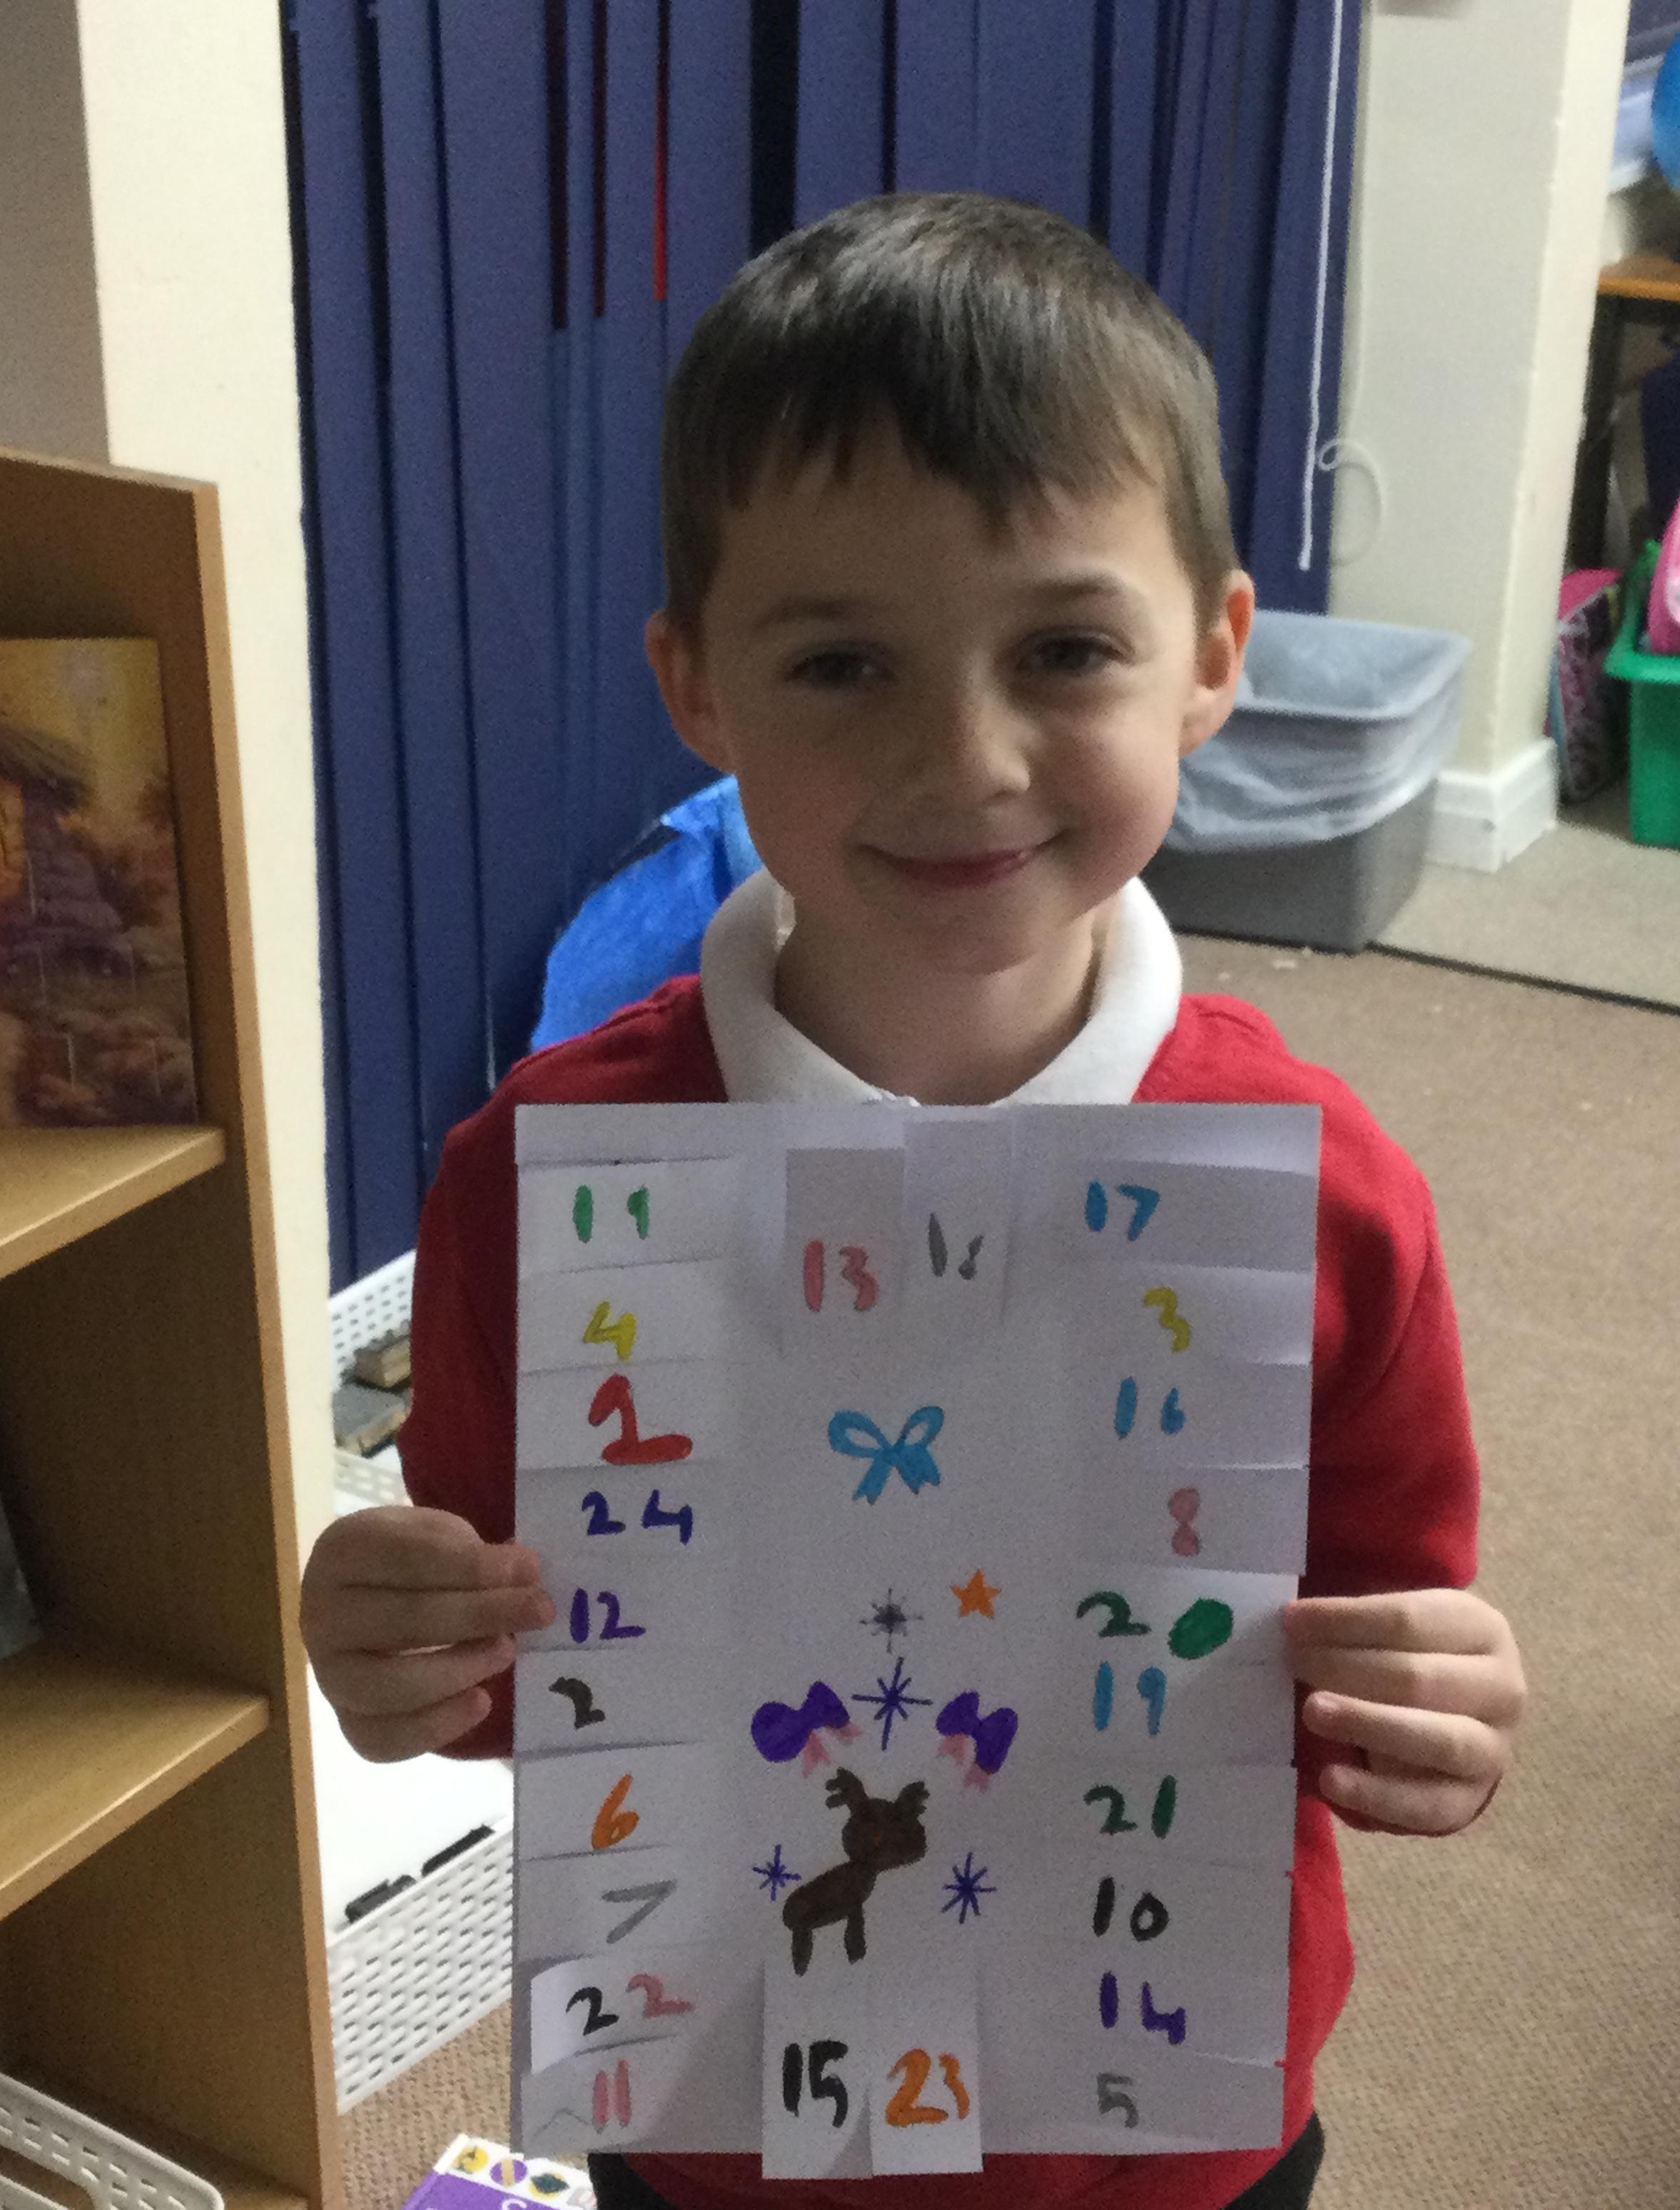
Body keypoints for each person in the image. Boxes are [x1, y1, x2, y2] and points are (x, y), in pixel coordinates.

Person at [301, 194, 1526, 2210]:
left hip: (1168, 2145)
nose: (963, 758)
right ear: (696, 686)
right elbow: (530, 1663)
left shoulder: (1330, 1201)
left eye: (1065, 650)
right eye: (842, 662)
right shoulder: (532, 1186)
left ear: (1216, 656)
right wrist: (396, 1644)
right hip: (720, 2132)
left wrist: (1440, 1709)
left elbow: (1375, 1654)